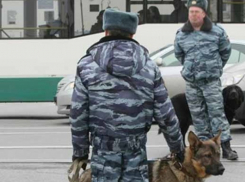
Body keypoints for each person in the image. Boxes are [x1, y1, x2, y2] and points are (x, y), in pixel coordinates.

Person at [70, 8, 185, 181]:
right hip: (136, 152)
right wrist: (177, 148)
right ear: (132, 34)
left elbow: (78, 114)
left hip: (103, 154)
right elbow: (166, 115)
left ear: (106, 30)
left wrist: (80, 153)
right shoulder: (149, 67)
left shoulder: (86, 65)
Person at [174, 0, 238, 160]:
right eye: (191, 11)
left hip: (210, 82)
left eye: (197, 11)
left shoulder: (217, 31)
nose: (193, 14)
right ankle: (205, 149)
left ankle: (226, 147)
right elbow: (179, 55)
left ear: (204, 13)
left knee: (217, 114)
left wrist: (213, 68)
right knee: (198, 116)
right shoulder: (181, 33)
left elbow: (225, 52)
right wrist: (191, 68)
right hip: (192, 83)